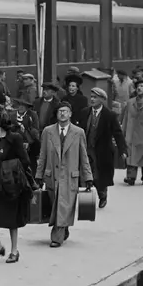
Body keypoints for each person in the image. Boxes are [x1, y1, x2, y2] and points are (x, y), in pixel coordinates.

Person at [34, 103, 93, 247]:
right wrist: (39, 174)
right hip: (52, 175)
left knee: (63, 205)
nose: (62, 114)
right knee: (56, 204)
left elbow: (83, 156)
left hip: (69, 176)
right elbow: (43, 155)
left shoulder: (78, 132)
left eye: (66, 111)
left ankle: (56, 236)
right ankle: (63, 227)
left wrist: (88, 177)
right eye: (60, 111)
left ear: (70, 114)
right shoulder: (48, 131)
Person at [0, 107, 34, 260]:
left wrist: (11, 170)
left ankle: (14, 251)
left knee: (12, 219)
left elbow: (25, 160)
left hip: (11, 184)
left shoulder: (14, 138)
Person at [81, 88, 126, 208]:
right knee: (87, 173)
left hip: (102, 150)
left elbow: (118, 133)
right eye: (91, 97)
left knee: (99, 176)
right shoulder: (85, 112)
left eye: (95, 97)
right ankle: (87, 197)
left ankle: (102, 194)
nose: (92, 99)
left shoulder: (109, 115)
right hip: (86, 149)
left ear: (102, 99)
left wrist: (122, 150)